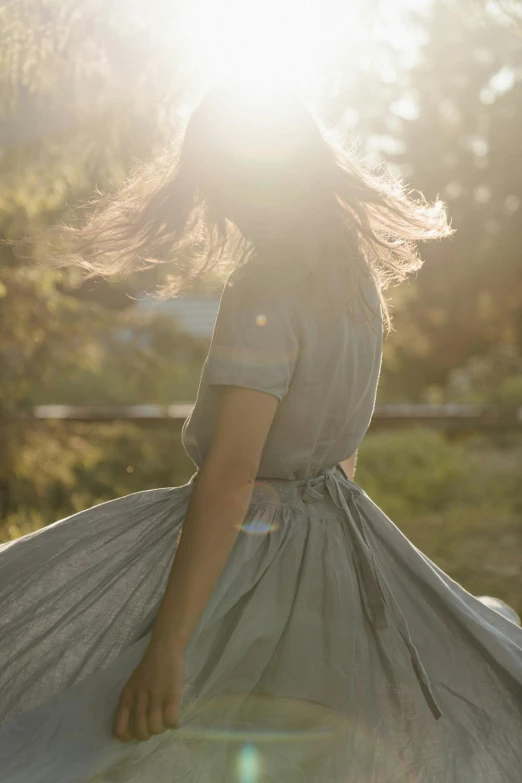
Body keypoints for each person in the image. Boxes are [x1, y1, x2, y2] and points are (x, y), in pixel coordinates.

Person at [0, 79, 521, 782]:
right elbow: (343, 455)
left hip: (252, 547)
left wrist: (169, 646)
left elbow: (231, 474)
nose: (217, 204)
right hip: (341, 534)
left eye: (216, 181)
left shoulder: (269, 286)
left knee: (119, 724)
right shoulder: (356, 282)